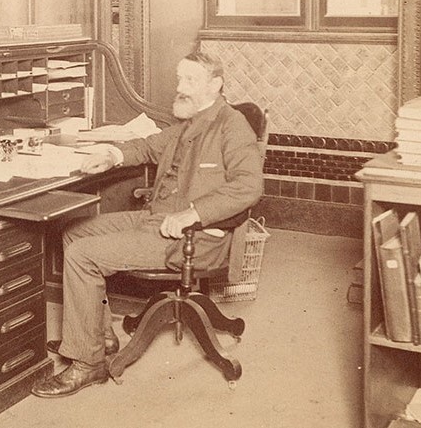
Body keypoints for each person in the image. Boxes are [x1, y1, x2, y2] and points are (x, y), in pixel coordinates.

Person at [31, 51, 263, 398]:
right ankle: (97, 334)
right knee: (75, 232)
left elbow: (249, 186)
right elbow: (148, 147)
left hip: (194, 238)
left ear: (214, 86)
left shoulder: (232, 126)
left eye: (190, 81)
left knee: (82, 255)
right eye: (179, 79)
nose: (180, 88)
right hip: (157, 220)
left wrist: (194, 213)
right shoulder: (189, 124)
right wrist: (112, 155)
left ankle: (87, 363)